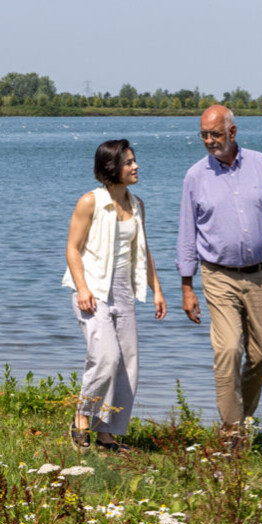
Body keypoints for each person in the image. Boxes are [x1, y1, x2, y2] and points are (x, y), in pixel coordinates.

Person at [176, 105, 262, 438]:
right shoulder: (195, 176)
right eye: (203, 134)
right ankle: (232, 433)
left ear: (233, 131)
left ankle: (241, 415)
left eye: (214, 133)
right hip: (218, 275)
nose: (208, 141)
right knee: (228, 348)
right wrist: (186, 285)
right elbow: (187, 234)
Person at [63, 139, 166, 453]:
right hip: (93, 291)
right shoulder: (90, 202)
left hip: (124, 292)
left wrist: (157, 289)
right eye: (128, 162)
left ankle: (107, 436)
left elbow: (143, 252)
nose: (135, 166)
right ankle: (81, 418)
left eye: (135, 160)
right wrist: (82, 288)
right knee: (106, 357)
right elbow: (72, 249)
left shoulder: (137, 205)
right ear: (112, 168)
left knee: (127, 365)